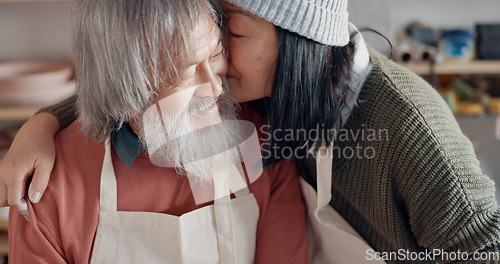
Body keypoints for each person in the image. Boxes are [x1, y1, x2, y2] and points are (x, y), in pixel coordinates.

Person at [3, 0, 500, 262]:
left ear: (296, 44)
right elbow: (148, 88)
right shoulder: (263, 96)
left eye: (230, 37)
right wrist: (43, 122)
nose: (218, 72)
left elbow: (484, 246)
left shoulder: (408, 128)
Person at [6, 0, 309, 263]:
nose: (215, 87)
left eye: (216, 53)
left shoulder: (264, 146)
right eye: (184, 71)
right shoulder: (50, 187)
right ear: (123, 84)